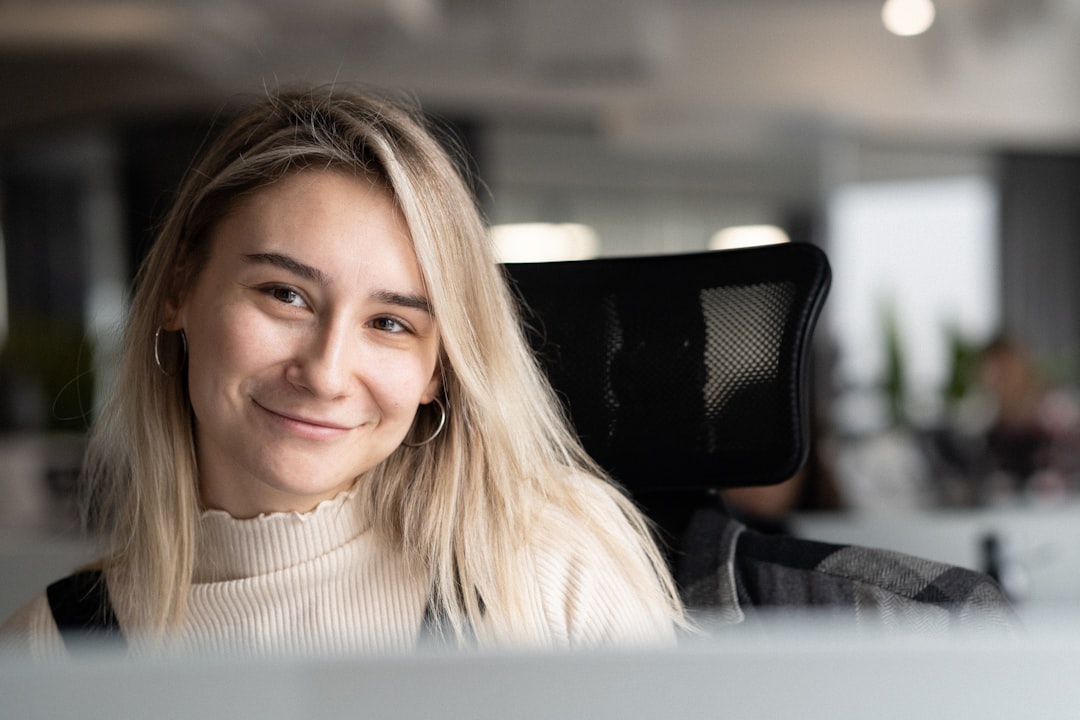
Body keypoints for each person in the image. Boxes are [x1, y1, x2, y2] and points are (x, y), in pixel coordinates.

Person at [0, 85, 685, 658]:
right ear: (180, 288)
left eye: (390, 324)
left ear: (437, 372)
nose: (326, 373)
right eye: (285, 294)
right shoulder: (54, 649)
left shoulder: (543, 570)